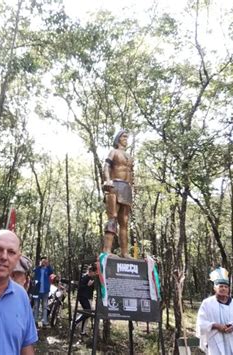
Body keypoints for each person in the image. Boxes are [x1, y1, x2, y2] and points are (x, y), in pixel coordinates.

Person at [196, 267, 233, 355]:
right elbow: (201, 323)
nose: (223, 289)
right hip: (215, 342)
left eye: (226, 287)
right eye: (221, 286)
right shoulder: (207, 303)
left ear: (228, 289)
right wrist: (216, 325)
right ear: (215, 288)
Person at [102, 130, 133, 258]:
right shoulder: (113, 152)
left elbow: (131, 174)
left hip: (126, 188)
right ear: (118, 139)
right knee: (112, 217)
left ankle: (125, 252)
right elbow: (106, 167)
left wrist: (132, 187)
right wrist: (107, 180)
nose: (126, 139)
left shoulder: (129, 157)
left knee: (124, 222)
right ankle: (107, 250)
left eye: (127, 137)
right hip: (114, 186)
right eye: (124, 136)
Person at [74, 265, 97, 335]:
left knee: (87, 313)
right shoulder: (85, 277)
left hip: (88, 297)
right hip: (83, 297)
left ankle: (83, 331)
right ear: (91, 271)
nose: (95, 273)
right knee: (88, 312)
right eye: (94, 272)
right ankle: (75, 322)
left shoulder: (91, 278)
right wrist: (87, 285)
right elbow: (80, 287)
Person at [33, 256, 54, 326]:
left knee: (45, 306)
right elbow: (34, 272)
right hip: (37, 290)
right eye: (43, 261)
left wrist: (48, 265)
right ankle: (34, 320)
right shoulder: (37, 269)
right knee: (36, 306)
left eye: (45, 261)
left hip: (45, 291)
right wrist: (39, 265)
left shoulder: (48, 269)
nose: (44, 262)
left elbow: (52, 274)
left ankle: (44, 321)